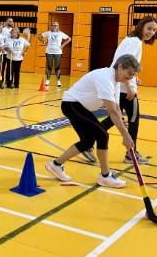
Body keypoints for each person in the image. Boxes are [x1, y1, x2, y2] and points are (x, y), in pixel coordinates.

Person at [45, 54, 141, 188]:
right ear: (120, 66)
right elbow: (112, 111)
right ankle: (105, 176)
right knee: (102, 135)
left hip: (79, 107)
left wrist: (124, 130)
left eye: (133, 75)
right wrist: (125, 135)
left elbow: (117, 109)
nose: (130, 78)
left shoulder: (116, 81)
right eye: (129, 73)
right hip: (72, 104)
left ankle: (55, 165)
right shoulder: (105, 78)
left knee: (87, 141)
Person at [97, 15, 157, 164]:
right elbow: (124, 64)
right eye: (149, 28)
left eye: (154, 30)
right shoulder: (135, 42)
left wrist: (134, 76)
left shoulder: (130, 39)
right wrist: (130, 87)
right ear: (141, 26)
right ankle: (131, 153)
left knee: (115, 118)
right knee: (133, 119)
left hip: (119, 84)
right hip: (124, 88)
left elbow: (125, 63)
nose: (151, 32)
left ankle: (88, 139)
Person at [38, 21, 71, 88]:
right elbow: (39, 37)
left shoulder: (61, 33)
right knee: (49, 66)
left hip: (58, 52)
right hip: (49, 51)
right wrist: (44, 42)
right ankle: (47, 80)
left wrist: (63, 45)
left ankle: (58, 81)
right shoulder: (48, 33)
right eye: (53, 25)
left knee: (57, 67)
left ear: (58, 26)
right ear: (51, 26)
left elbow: (69, 39)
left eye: (56, 25)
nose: (54, 26)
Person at [0, 17, 14, 86]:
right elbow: (1, 39)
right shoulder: (3, 29)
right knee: (2, 67)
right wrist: (3, 48)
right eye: (9, 21)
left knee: (9, 67)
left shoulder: (12, 30)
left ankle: (8, 80)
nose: (11, 22)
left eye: (12, 21)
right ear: (6, 22)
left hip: (9, 52)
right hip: (4, 51)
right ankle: (1, 80)